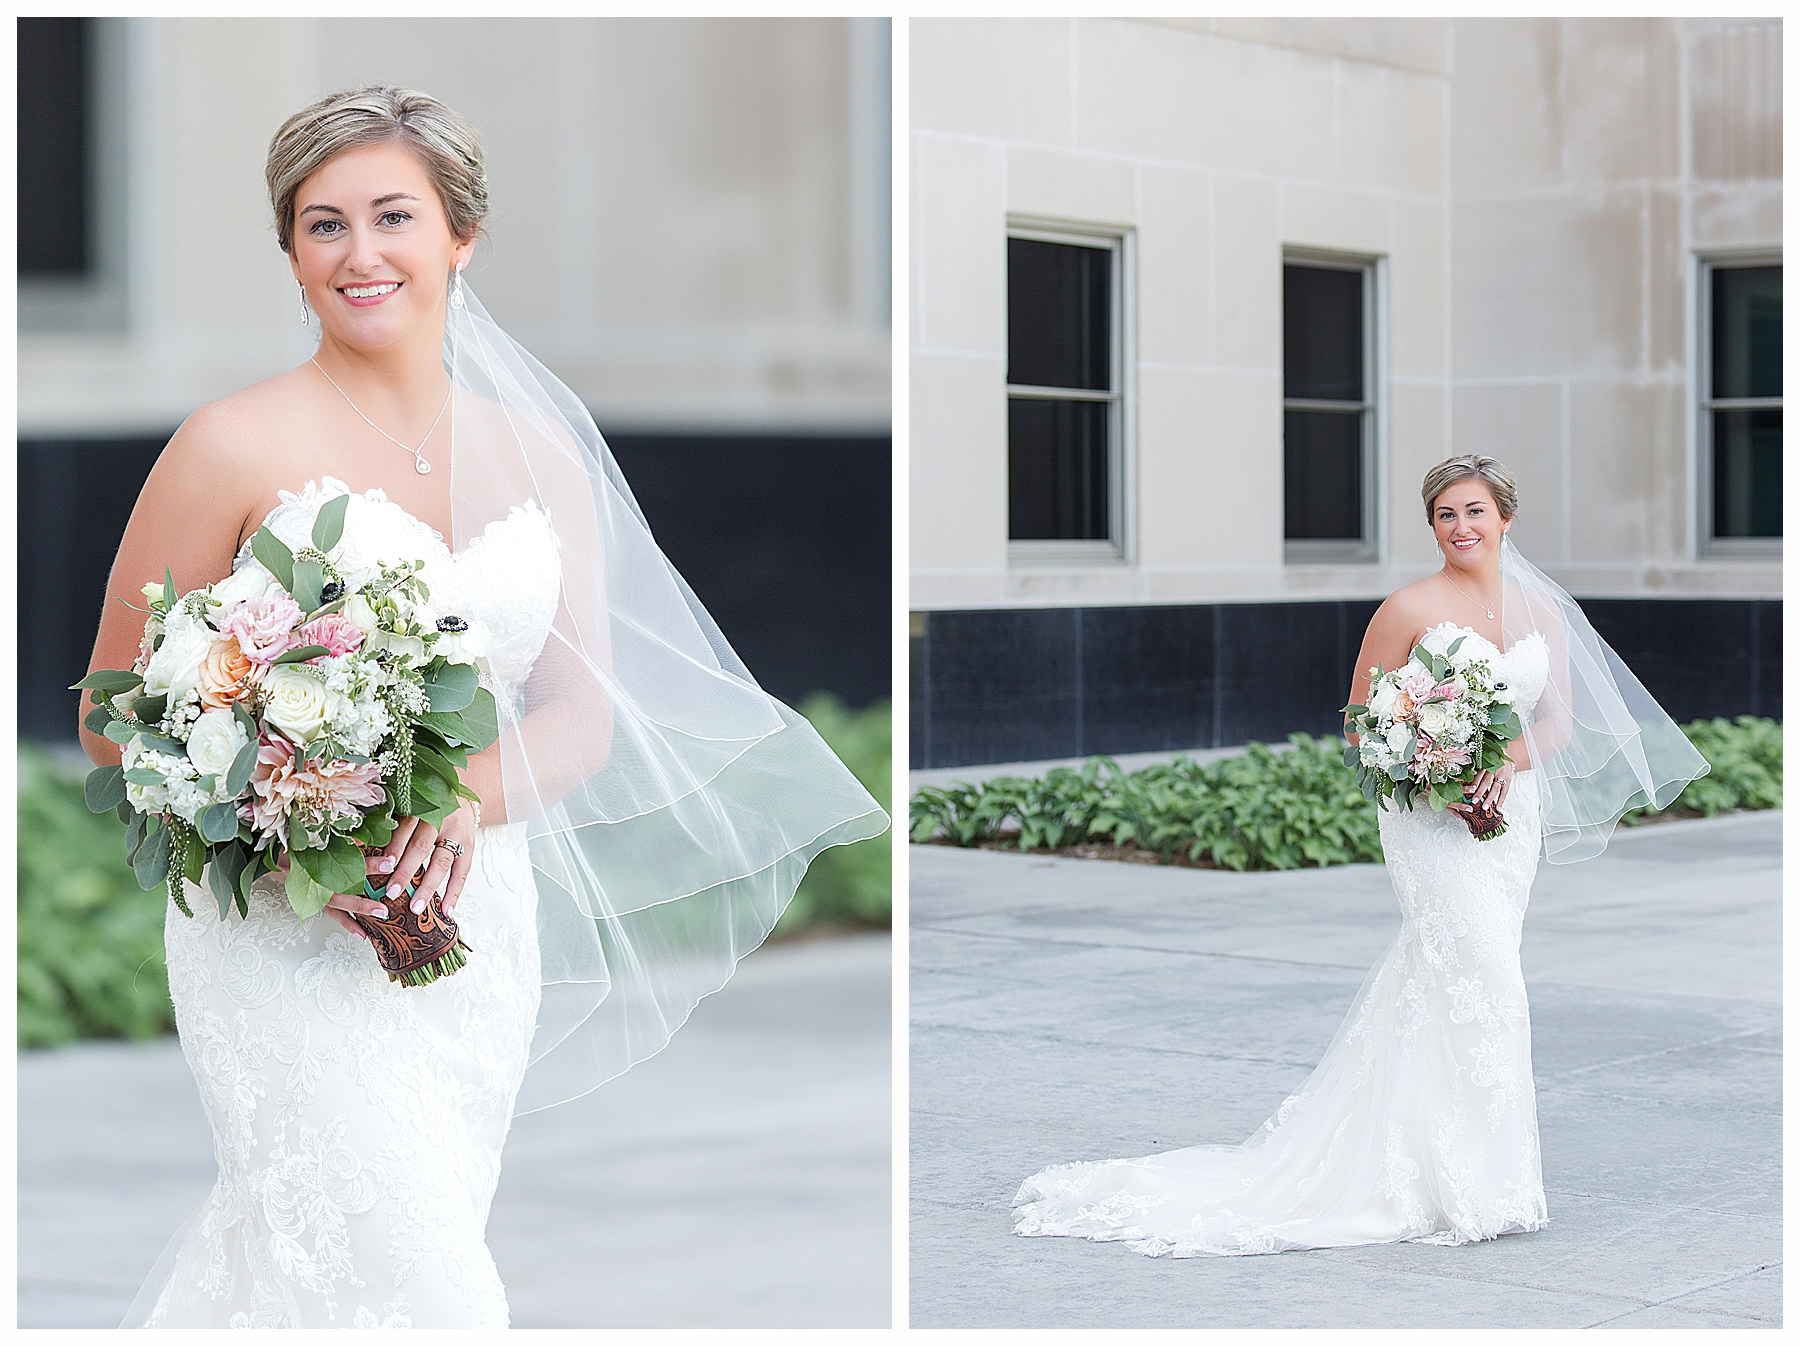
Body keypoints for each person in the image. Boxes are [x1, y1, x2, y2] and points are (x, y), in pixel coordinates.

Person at [80, 86, 887, 1327]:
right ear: (291, 253)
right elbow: (114, 713)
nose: (361, 254)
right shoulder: (226, 446)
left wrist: (458, 797)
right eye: (322, 224)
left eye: (393, 216)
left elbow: (576, 711)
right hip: (285, 927)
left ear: (460, 235)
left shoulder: (540, 454)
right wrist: (289, 830)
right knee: (410, 1265)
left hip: (467, 919)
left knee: (355, 1248)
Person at [1012, 454, 1706, 1258]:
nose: (1462, 527)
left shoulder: (1538, 612)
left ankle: (1438, 1169)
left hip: (1509, 816)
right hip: (1429, 817)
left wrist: (1499, 766)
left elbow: (1553, 723)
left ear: (1506, 518)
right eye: (1446, 515)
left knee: (1447, 981)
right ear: (1433, 526)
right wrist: (1436, 768)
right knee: (1485, 978)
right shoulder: (1408, 606)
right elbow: (1358, 721)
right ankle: (1478, 1187)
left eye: (1476, 511)